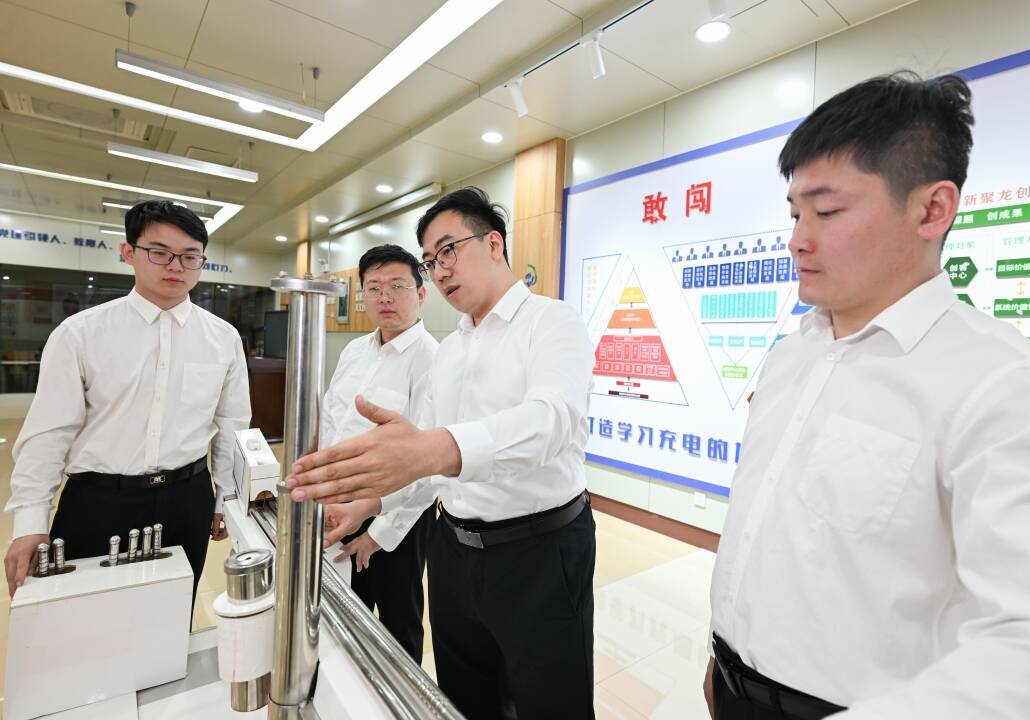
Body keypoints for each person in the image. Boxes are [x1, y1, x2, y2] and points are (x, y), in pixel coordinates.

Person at [704, 72, 1030, 720]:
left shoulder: (1009, 390)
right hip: (734, 687)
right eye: (794, 214)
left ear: (932, 210)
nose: (797, 239)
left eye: (827, 212)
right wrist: (724, 652)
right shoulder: (794, 355)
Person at [285, 187, 596, 720]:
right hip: (453, 549)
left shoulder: (552, 321)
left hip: (539, 551)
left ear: (494, 243)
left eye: (448, 250)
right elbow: (423, 455)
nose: (441, 268)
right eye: (431, 259)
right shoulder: (452, 349)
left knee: (549, 702)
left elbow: (554, 421)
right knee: (463, 697)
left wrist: (437, 447)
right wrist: (368, 504)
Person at [4, 200, 250, 600]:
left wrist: (228, 498)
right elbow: (49, 432)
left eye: (190, 256)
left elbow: (232, 426)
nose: (176, 267)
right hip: (97, 502)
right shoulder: (80, 333)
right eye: (160, 253)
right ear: (128, 252)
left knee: (173, 616)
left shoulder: (223, 338)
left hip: (187, 499)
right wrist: (30, 522)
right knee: (85, 619)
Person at [319, 243, 439, 665]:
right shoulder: (354, 351)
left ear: (421, 294)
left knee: (397, 627)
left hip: (394, 519)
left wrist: (379, 534)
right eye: (373, 287)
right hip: (337, 506)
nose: (384, 297)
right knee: (340, 618)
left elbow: (429, 464)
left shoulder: (432, 360)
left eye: (397, 286)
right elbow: (331, 421)